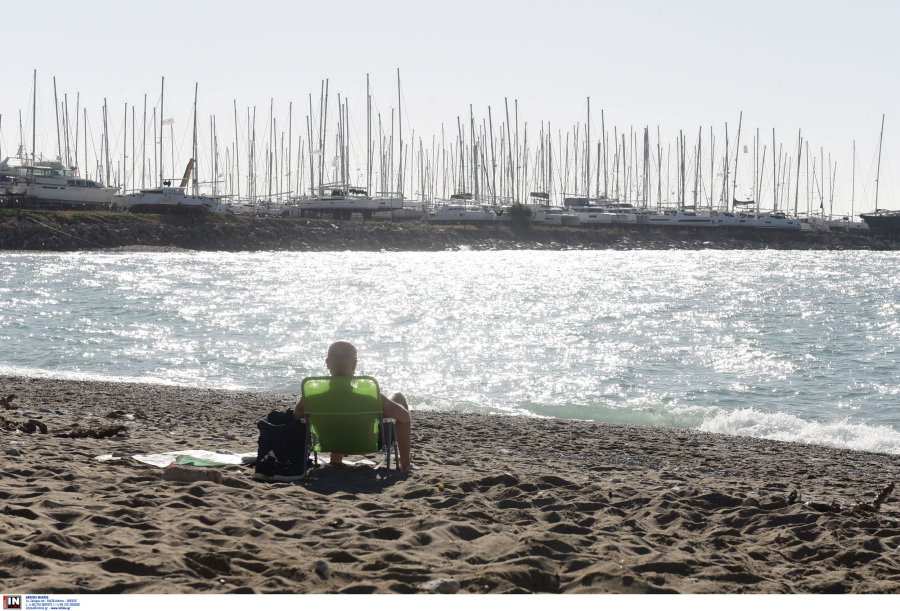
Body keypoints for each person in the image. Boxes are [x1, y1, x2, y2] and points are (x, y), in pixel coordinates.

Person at [294, 341, 412, 471]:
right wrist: (380, 410)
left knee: (335, 408)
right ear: (354, 365)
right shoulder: (370, 396)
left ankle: (336, 460)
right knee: (398, 396)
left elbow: (297, 415)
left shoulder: (311, 397)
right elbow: (405, 417)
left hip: (329, 443)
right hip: (368, 444)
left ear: (327, 363)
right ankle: (405, 465)